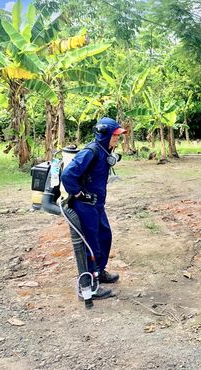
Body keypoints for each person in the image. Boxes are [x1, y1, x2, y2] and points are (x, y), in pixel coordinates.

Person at [61, 117, 126, 299]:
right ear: (105, 135)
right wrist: (79, 194)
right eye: (115, 135)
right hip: (85, 206)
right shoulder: (91, 152)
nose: (117, 139)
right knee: (91, 245)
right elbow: (67, 175)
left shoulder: (105, 151)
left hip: (97, 205)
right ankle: (88, 287)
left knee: (105, 237)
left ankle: (99, 271)